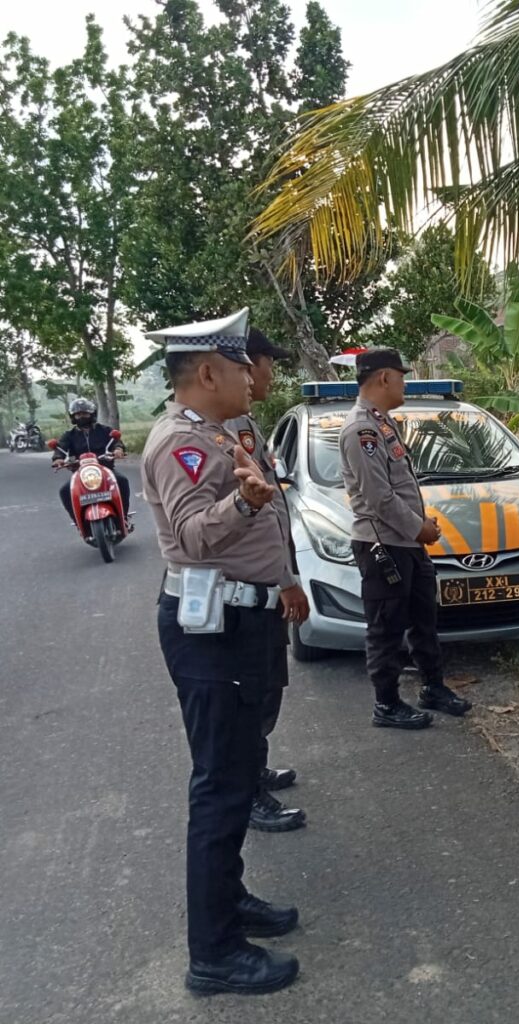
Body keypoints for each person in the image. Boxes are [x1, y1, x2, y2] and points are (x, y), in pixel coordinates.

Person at [141, 307, 310, 996]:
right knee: (218, 789)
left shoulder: (217, 435)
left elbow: (263, 524)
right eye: (243, 366)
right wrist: (242, 504)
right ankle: (212, 953)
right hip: (211, 632)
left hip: (242, 622)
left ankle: (230, 901)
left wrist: (283, 575)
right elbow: (190, 538)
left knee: (238, 777)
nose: (252, 377)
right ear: (208, 372)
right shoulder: (178, 445)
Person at [339, 348, 472, 729]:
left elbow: (399, 487)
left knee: (423, 619)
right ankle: (387, 704)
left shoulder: (382, 423)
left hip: (407, 544)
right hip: (385, 544)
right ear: (383, 378)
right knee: (386, 626)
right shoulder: (361, 430)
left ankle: (433, 687)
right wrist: (419, 528)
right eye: (401, 376)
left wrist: (418, 525)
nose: (404, 383)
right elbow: (379, 498)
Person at [224, 327, 306, 835]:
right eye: (268, 363)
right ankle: (247, 790)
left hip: (266, 582)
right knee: (251, 693)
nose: (272, 372)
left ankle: (254, 769)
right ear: (246, 366)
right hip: (245, 590)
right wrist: (284, 580)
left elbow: (272, 504)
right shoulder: (227, 427)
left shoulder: (246, 423)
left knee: (267, 686)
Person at [52, 398, 131, 523]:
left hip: (105, 469)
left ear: (92, 414)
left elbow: (116, 441)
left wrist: (118, 450)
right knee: (65, 491)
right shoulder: (69, 435)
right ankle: (78, 521)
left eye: (84, 413)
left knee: (122, 481)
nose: (81, 417)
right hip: (80, 472)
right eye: (78, 414)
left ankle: (123, 517)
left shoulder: (104, 430)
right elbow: (60, 448)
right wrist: (58, 459)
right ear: (73, 417)